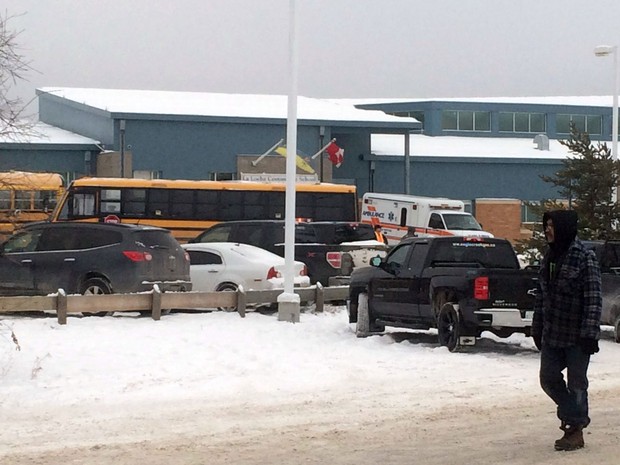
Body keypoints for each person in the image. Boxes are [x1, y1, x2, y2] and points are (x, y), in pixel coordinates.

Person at [531, 209, 602, 451]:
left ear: (563, 227)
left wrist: (589, 334)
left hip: (577, 335)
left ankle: (575, 431)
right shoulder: (549, 256)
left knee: (577, 383)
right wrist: (537, 326)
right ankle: (575, 416)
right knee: (548, 378)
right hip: (552, 332)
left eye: (551, 225)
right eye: (546, 224)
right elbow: (542, 295)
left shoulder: (584, 256)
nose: (547, 229)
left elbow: (593, 297)